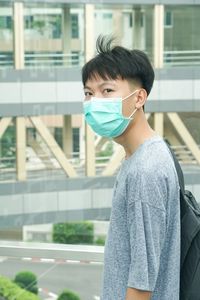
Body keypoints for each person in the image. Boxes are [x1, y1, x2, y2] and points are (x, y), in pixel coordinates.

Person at [82, 36, 180, 300]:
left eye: (107, 91)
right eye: (88, 93)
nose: (94, 102)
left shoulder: (145, 170)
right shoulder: (147, 153)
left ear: (139, 98)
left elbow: (142, 280)